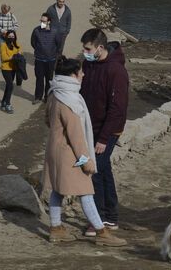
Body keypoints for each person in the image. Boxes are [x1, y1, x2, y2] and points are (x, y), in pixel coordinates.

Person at [44, 57, 127, 247]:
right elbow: (76, 137)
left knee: (58, 190)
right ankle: (101, 232)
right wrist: (87, 161)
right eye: (80, 72)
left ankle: (56, 229)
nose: (83, 74)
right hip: (71, 156)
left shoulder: (55, 92)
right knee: (86, 191)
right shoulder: (69, 99)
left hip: (55, 150)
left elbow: (48, 120)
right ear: (72, 75)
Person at [80, 28, 129, 233]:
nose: (85, 51)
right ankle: (111, 216)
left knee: (96, 171)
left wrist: (103, 138)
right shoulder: (89, 64)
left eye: (88, 48)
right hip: (90, 127)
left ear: (100, 47)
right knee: (104, 169)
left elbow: (118, 109)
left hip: (107, 131)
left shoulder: (116, 71)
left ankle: (98, 218)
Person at [31, 13, 61, 102]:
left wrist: (52, 52)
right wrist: (39, 49)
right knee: (39, 79)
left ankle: (47, 97)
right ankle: (38, 97)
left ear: (49, 22)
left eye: (44, 21)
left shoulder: (55, 31)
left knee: (49, 79)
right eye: (41, 21)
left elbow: (58, 44)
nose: (42, 23)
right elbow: (33, 42)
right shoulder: (36, 30)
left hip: (50, 60)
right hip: (39, 59)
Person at [0, 29, 21, 114]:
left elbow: (20, 55)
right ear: (6, 37)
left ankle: (3, 102)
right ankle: (8, 104)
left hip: (14, 69)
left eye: (13, 36)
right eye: (10, 36)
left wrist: (18, 57)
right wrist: (13, 57)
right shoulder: (3, 45)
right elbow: (4, 58)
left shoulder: (17, 45)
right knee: (10, 85)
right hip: (6, 69)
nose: (11, 38)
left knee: (8, 86)